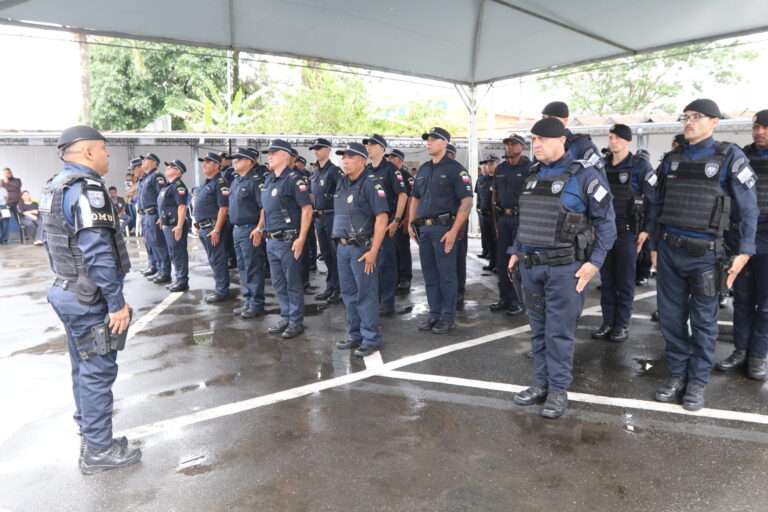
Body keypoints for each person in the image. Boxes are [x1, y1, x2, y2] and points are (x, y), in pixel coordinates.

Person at [40, 125, 140, 473]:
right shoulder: (87, 189)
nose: (107, 155)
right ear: (87, 152)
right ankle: (99, 451)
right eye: (104, 150)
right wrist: (117, 304)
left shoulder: (56, 185)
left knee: (83, 366)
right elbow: (98, 254)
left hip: (66, 289)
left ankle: (92, 434)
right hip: (88, 296)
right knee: (98, 369)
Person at [647, 99, 758, 410]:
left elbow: (748, 209)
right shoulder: (672, 158)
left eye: (696, 117)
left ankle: (696, 382)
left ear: (714, 122)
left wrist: (745, 252)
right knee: (670, 319)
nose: (689, 122)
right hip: (670, 250)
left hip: (706, 256)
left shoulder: (729, 157)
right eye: (686, 117)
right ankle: (677, 375)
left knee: (704, 321)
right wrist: (654, 245)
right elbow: (657, 203)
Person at [508, 117, 617, 419]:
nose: (536, 145)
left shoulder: (585, 176)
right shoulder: (532, 174)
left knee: (559, 333)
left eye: (542, 139)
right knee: (538, 330)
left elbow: (607, 224)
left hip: (564, 268)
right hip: (531, 267)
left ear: (561, 141)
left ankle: (557, 390)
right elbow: (526, 218)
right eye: (534, 140)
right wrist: (516, 251)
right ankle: (540, 384)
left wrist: (594, 263)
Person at [591, 124, 657, 343]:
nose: (613, 141)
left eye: (618, 138)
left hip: (628, 232)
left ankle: (621, 325)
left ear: (627, 141)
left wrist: (646, 231)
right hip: (604, 232)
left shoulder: (640, 166)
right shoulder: (601, 166)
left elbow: (654, 200)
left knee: (625, 281)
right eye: (610, 137)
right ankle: (608, 322)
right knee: (607, 279)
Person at [717, 109, 768, 380]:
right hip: (741, 237)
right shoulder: (741, 158)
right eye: (757, 127)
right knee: (744, 298)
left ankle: (758, 355)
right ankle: (740, 350)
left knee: (766, 304)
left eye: (766, 128)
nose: (760, 132)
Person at [408, 127, 473, 334]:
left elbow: (467, 201)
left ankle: (447, 316)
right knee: (430, 275)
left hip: (444, 229)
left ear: (445, 143)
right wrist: (411, 222)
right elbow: (414, 197)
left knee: (447, 275)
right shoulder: (424, 169)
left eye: (433, 140)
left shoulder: (456, 169)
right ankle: (434, 313)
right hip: (425, 230)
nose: (428, 143)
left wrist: (454, 231)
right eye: (427, 139)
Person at [332, 142, 390, 357]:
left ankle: (371, 338)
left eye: (349, 157)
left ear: (362, 161)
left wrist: (374, 250)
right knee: (348, 294)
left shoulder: (372, 184)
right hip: (343, 247)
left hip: (362, 248)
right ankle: (355, 334)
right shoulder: (342, 182)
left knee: (366, 294)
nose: (345, 161)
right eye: (343, 157)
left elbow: (382, 218)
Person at [254, 139, 313, 338]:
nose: (269, 155)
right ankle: (286, 317)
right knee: (278, 283)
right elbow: (265, 209)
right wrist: (259, 228)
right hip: (271, 240)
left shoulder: (294, 179)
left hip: (289, 240)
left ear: (285, 156)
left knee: (292, 282)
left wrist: (302, 238)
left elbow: (306, 210)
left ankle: (296, 322)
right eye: (268, 153)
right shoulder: (270, 180)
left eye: (273, 152)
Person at [363, 134, 408, 316]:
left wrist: (396, 220)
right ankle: (375, 298)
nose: (369, 148)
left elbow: (403, 195)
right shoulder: (366, 170)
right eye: (367, 145)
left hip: (387, 223)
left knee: (387, 263)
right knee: (371, 262)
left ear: (382, 148)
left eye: (373, 145)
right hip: (369, 224)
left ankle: (387, 302)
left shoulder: (391, 170)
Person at [490, 134, 530, 316]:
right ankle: (505, 298)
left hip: (522, 219)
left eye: (513, 144)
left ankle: (518, 300)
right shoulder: (500, 168)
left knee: (519, 260)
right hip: (504, 219)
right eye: (507, 144)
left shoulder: (530, 168)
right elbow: (495, 195)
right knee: (502, 260)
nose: (509, 147)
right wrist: (496, 221)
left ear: (522, 147)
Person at [228, 148, 267, 317]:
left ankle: (257, 304)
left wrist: (259, 228)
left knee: (253, 267)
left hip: (250, 229)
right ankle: (248, 301)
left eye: (239, 159)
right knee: (243, 267)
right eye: (234, 159)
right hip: (237, 229)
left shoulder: (255, 181)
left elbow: (264, 207)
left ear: (250, 161)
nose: (234, 161)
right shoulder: (236, 180)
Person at [309, 138, 344, 304]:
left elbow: (342, 194)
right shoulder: (315, 173)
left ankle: (338, 287)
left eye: (319, 148)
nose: (316, 151)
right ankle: (331, 285)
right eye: (314, 148)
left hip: (332, 216)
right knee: (326, 254)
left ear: (328, 149)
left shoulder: (334, 171)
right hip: (319, 217)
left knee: (335, 253)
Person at [194, 152, 231, 303]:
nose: (204, 164)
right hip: (205, 227)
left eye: (208, 162)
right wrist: (198, 224)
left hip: (213, 228)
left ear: (217, 165)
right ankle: (220, 288)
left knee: (218, 259)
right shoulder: (207, 182)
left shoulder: (220, 182)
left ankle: (222, 291)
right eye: (203, 162)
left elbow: (224, 208)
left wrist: (216, 229)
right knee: (213, 259)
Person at [541, 101, 605, 176]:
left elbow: (597, 175)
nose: (546, 122)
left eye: (551, 118)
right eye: (543, 118)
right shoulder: (540, 145)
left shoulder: (581, 144)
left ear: (565, 120)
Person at [136, 153, 171, 283]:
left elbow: (162, 197)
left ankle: (165, 272)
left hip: (153, 214)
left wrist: (162, 216)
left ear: (154, 163)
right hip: (145, 215)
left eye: (146, 159)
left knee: (159, 244)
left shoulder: (157, 176)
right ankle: (157, 268)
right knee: (151, 243)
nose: (143, 161)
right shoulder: (145, 178)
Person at [157, 159, 190, 293]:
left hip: (175, 225)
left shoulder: (178, 186)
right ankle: (178, 278)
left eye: (170, 167)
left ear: (177, 171)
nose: (167, 169)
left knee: (178, 253)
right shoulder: (168, 186)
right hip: (168, 224)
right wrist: (161, 219)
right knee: (173, 253)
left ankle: (182, 280)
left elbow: (182, 207)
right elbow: (166, 206)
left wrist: (179, 226)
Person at [386, 148, 414, 291]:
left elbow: (411, 199)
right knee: (390, 250)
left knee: (402, 248)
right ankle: (394, 277)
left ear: (400, 161)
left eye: (392, 158)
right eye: (388, 158)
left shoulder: (406, 176)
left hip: (401, 219)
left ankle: (405, 277)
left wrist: (407, 218)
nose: (389, 161)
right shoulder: (387, 174)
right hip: (388, 218)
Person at [445, 142, 469, 304]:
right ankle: (448, 291)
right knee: (445, 262)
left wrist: (461, 227)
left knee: (458, 259)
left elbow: (465, 203)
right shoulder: (434, 169)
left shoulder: (459, 171)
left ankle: (459, 291)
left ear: (453, 154)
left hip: (457, 224)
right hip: (441, 226)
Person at [476, 155, 498, 272]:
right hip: (484, 215)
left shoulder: (499, 179)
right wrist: (478, 209)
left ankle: (499, 265)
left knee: (497, 241)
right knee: (488, 240)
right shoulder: (481, 180)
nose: (488, 166)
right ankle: (492, 262)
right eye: (486, 164)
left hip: (496, 216)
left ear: (497, 164)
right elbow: (478, 196)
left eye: (491, 163)